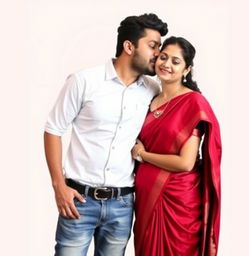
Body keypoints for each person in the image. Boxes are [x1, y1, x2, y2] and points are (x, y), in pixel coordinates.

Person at [44, 13, 168, 256]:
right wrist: (59, 186)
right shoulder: (84, 81)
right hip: (79, 200)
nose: (158, 54)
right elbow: (53, 129)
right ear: (129, 46)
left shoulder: (153, 90)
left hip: (123, 204)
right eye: (153, 46)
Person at [132, 36, 221, 256]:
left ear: (186, 69)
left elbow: (185, 162)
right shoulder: (149, 97)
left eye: (175, 61)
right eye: (163, 57)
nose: (167, 64)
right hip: (146, 197)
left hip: (179, 202)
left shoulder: (193, 103)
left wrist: (143, 154)